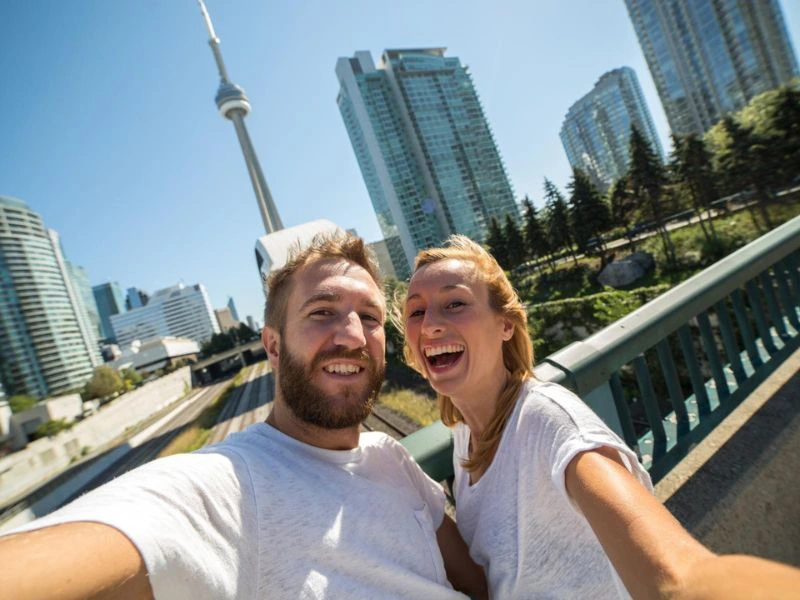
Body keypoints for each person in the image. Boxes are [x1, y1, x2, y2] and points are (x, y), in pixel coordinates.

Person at [0, 233, 486, 600]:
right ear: (273, 347)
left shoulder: (390, 458)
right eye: (322, 312)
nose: (353, 336)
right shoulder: (230, 485)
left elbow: (478, 584)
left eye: (371, 317)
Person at [396, 234, 800, 599]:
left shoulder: (549, 422)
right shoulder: (466, 434)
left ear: (505, 324)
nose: (431, 324)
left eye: (455, 304)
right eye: (416, 312)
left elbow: (677, 575)